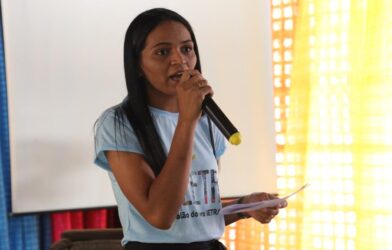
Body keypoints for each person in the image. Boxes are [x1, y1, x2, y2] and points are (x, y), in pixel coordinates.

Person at [94, 7, 287, 250]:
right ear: (138, 65)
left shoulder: (207, 120)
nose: (180, 60)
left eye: (186, 49)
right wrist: (186, 121)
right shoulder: (117, 124)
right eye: (162, 52)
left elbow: (195, 212)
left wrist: (243, 206)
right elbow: (160, 215)